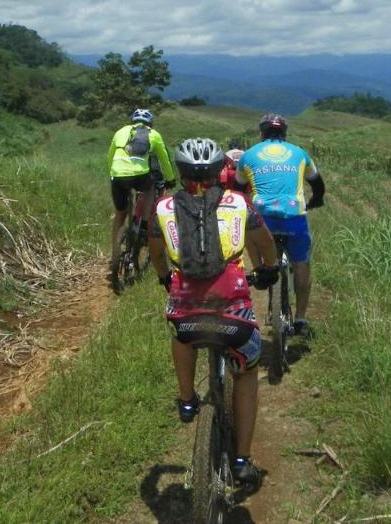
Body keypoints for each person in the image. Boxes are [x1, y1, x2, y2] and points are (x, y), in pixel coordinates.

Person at [149, 137, 279, 489]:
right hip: (233, 321)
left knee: (178, 329)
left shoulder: (162, 208)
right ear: (221, 170)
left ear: (181, 172)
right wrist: (268, 270)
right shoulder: (240, 204)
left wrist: (165, 277)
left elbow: (157, 253)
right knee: (247, 372)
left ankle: (188, 399)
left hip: (187, 320)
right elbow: (266, 245)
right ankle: (241, 460)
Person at [235, 113, 325, 336]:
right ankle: (302, 319)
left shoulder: (248, 155)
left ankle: (259, 269)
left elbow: (238, 190)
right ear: (284, 133)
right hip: (294, 216)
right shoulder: (299, 153)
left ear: (261, 133)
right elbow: (317, 183)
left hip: (263, 217)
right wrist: (317, 200)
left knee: (250, 231)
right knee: (302, 263)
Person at [107, 108, 175, 281]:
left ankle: (114, 251)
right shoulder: (154, 134)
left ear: (132, 121)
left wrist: (113, 174)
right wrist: (170, 179)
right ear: (150, 123)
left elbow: (110, 156)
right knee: (150, 188)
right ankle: (143, 222)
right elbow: (164, 160)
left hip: (118, 176)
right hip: (140, 176)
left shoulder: (121, 131)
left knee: (120, 214)